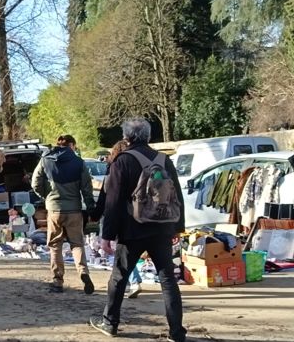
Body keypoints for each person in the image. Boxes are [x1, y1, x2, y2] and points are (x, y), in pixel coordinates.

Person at [89, 118, 191, 342]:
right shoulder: (165, 160)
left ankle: (110, 323)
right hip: (163, 228)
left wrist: (106, 235)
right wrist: (178, 227)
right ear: (148, 136)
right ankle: (176, 332)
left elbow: (113, 202)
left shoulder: (122, 161)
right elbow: (177, 197)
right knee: (167, 281)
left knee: (119, 278)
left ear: (126, 136)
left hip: (132, 231)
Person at [31, 134, 96, 294]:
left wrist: (47, 196)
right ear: (71, 145)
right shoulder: (79, 162)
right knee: (77, 244)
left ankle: (57, 280)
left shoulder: (45, 160)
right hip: (74, 209)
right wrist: (91, 207)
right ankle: (83, 273)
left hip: (54, 210)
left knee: (55, 245)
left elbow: (35, 183)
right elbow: (87, 189)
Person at [90, 139, 144, 298]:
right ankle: (130, 282)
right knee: (126, 254)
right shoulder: (140, 166)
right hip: (139, 217)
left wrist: (95, 215)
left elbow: (105, 197)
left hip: (119, 218)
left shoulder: (114, 168)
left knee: (121, 253)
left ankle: (133, 281)